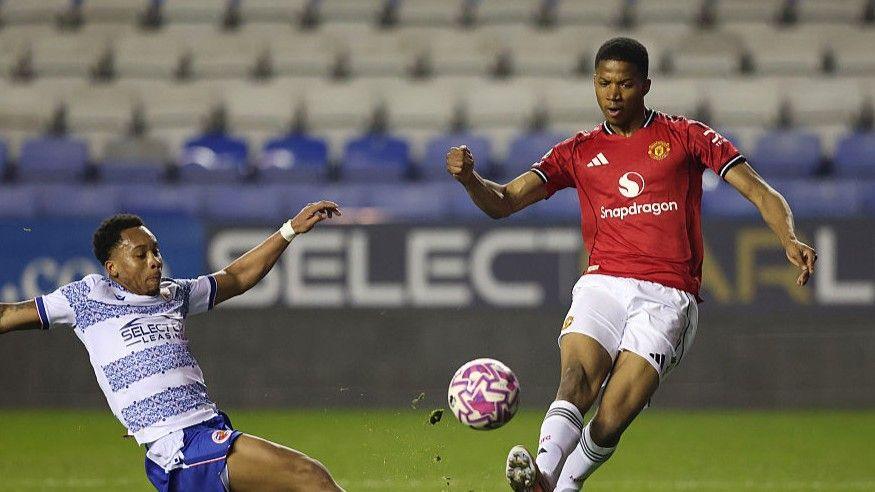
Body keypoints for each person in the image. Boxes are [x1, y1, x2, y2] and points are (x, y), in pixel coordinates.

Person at [446, 37, 817, 492]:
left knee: (611, 417)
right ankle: (543, 473)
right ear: (594, 83)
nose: (613, 94)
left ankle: (564, 485)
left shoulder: (686, 137)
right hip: (603, 283)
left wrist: (788, 237)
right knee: (576, 379)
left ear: (645, 85)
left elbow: (759, 189)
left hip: (667, 295)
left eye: (623, 84)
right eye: (604, 83)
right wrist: (470, 180)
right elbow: (503, 201)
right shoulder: (577, 151)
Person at [0, 202, 345, 492]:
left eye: (155, 251)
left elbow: (236, 278)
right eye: (140, 254)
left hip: (208, 428)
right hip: (180, 445)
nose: (154, 260)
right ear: (113, 268)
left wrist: (289, 230)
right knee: (309, 476)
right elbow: (8, 315)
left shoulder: (173, 294)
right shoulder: (87, 297)